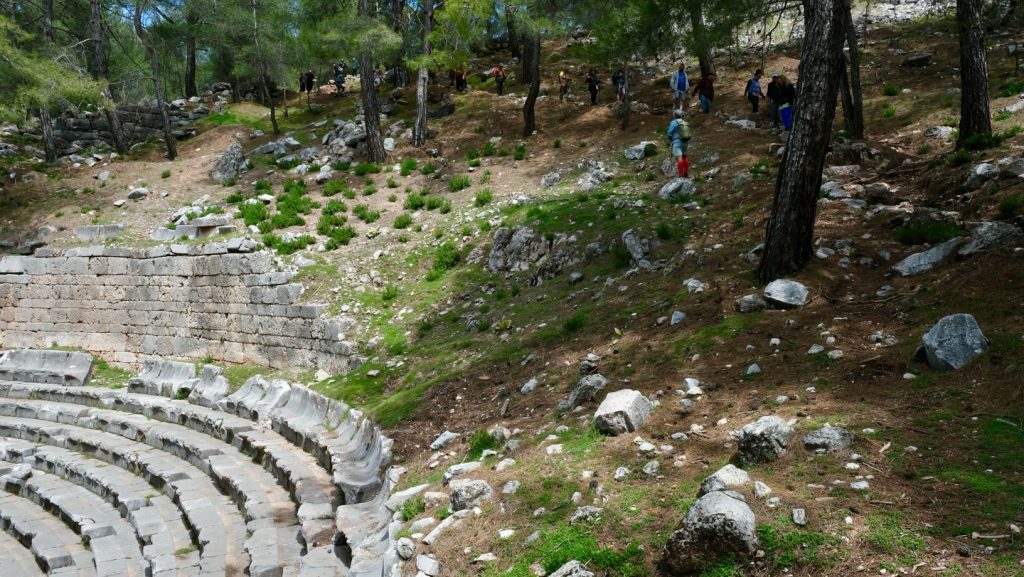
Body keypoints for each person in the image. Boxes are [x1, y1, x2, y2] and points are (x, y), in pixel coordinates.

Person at [666, 109, 692, 178]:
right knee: (685, 157)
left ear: (675, 116)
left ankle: (681, 174)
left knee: (679, 158)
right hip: (685, 142)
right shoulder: (684, 122)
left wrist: (671, 140)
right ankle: (686, 172)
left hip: (677, 141)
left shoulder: (673, 122)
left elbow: (669, 133)